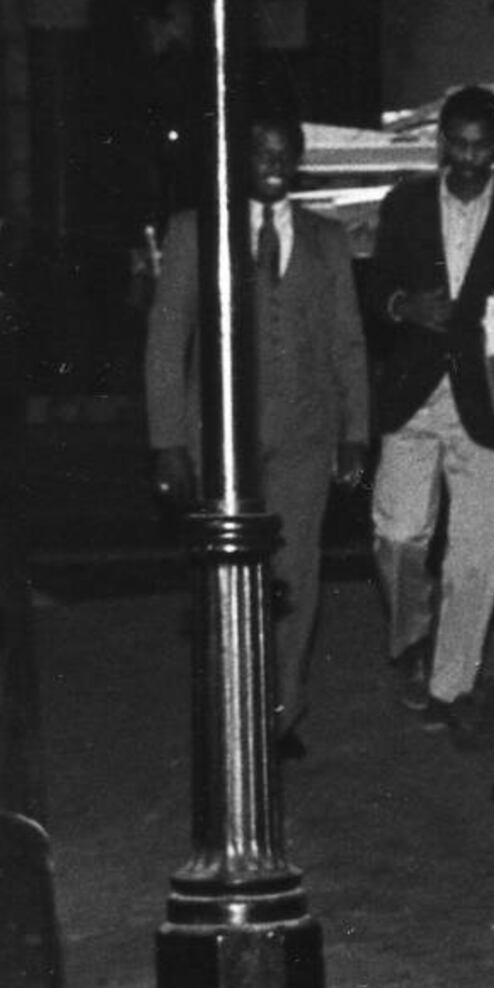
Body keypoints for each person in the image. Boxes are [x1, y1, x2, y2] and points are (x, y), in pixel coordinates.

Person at [144, 112, 368, 757]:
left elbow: (348, 341)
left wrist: (355, 432)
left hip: (305, 435)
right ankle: (229, 712)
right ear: (238, 159)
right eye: (260, 151)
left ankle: (280, 714)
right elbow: (166, 340)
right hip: (219, 440)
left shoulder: (328, 239)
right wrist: (167, 443)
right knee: (225, 577)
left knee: (295, 574)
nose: (272, 163)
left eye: (283, 153)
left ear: (298, 161)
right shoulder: (196, 230)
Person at [366, 86, 494, 725]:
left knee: (475, 557)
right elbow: (374, 286)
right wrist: (403, 306)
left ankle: (449, 687)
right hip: (413, 399)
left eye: (482, 148)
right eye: (460, 145)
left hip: (489, 404)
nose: (471, 159)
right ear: (442, 143)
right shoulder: (405, 204)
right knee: (397, 535)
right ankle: (412, 635)